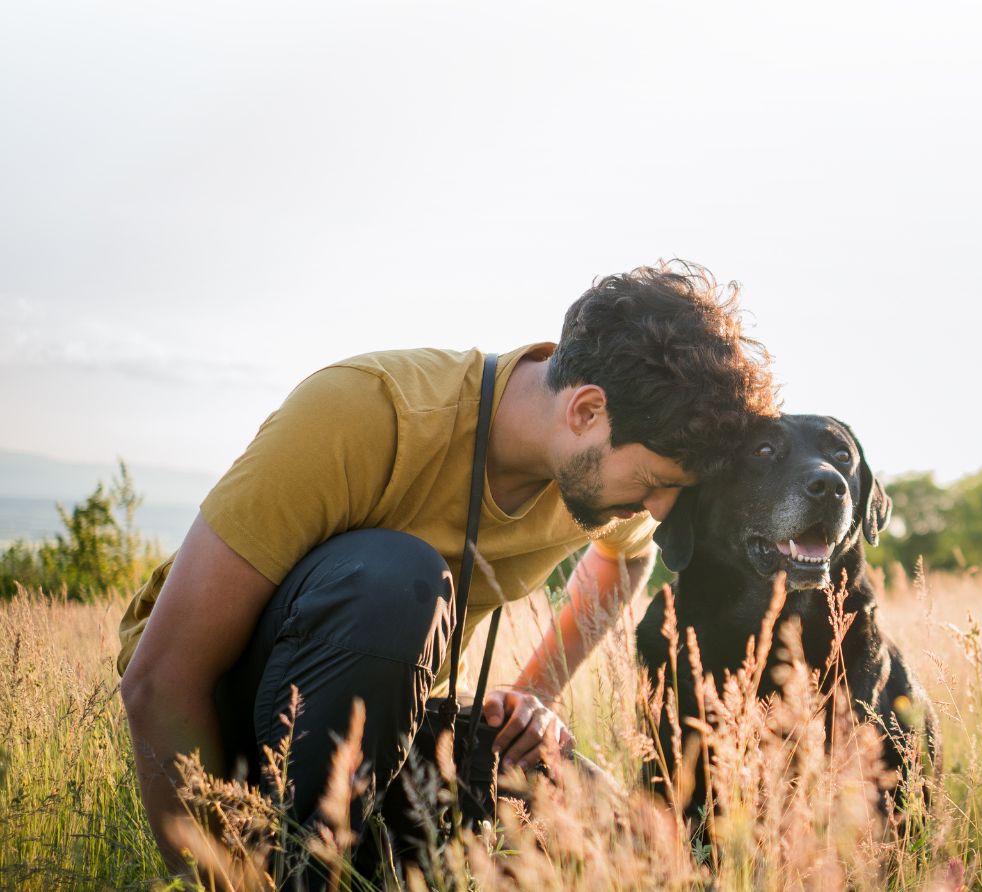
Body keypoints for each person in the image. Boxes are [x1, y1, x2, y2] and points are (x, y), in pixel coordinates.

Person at [115, 261, 779, 880]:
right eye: (658, 483)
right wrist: (225, 878)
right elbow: (160, 679)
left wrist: (531, 698)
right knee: (399, 581)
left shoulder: (605, 466)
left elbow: (623, 560)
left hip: (390, 727)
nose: (660, 510)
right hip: (226, 715)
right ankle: (301, 873)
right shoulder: (364, 411)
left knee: (633, 844)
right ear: (585, 411)